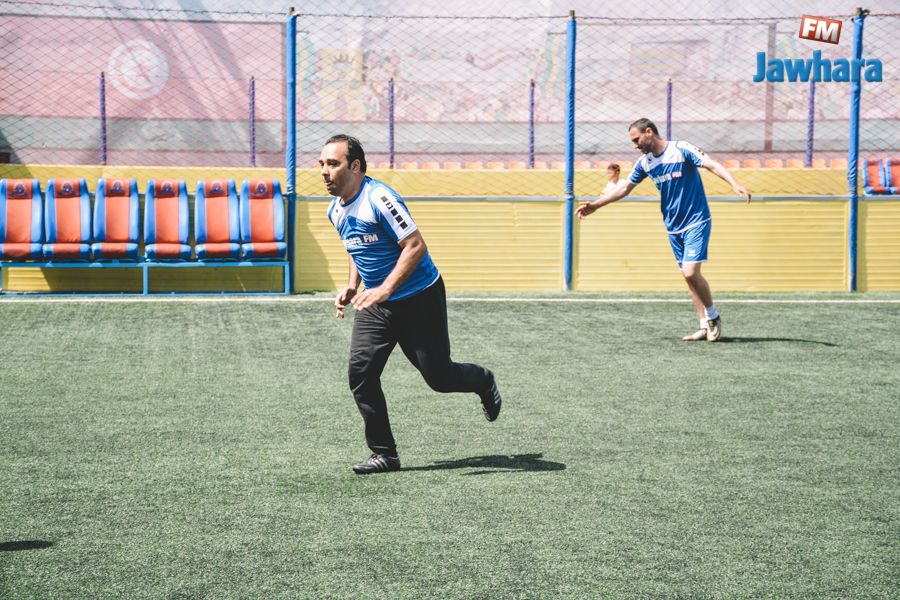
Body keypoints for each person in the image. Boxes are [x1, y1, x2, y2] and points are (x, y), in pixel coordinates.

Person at [319, 134, 502, 475]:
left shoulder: (380, 198)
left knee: (440, 378)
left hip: (419, 298)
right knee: (361, 375)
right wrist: (352, 286)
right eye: (321, 164)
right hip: (376, 304)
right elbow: (356, 248)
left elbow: (415, 246)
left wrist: (385, 288)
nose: (324, 171)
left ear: (355, 166)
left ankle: (483, 380)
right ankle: (384, 454)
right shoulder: (335, 210)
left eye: (333, 164)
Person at [576, 118, 751, 342]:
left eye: (636, 140)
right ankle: (703, 325)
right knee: (688, 278)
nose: (635, 145)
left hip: (696, 219)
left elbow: (712, 165)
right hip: (673, 226)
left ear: (649, 132)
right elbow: (625, 188)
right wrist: (596, 205)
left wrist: (734, 184)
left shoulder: (681, 149)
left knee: (690, 272)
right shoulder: (645, 163)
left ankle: (713, 317)